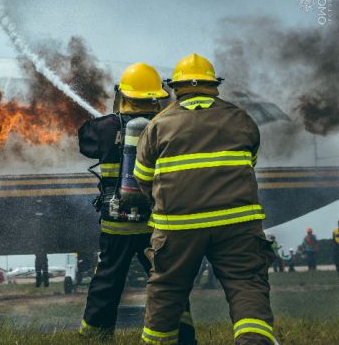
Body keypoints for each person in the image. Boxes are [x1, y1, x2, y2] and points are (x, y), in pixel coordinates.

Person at [135, 53, 277, 345]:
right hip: (237, 224)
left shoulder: (158, 125)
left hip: (178, 227)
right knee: (246, 284)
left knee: (167, 289)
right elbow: (249, 162)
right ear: (215, 86)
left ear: (176, 88)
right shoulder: (241, 119)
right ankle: (254, 340)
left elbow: (142, 179)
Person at [77, 63, 196, 344]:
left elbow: (85, 143)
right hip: (156, 224)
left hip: (116, 224)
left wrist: (113, 114)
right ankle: (183, 336)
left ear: (123, 94)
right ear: (157, 96)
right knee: (167, 280)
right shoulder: (166, 125)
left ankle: (96, 336)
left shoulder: (103, 127)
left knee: (107, 280)